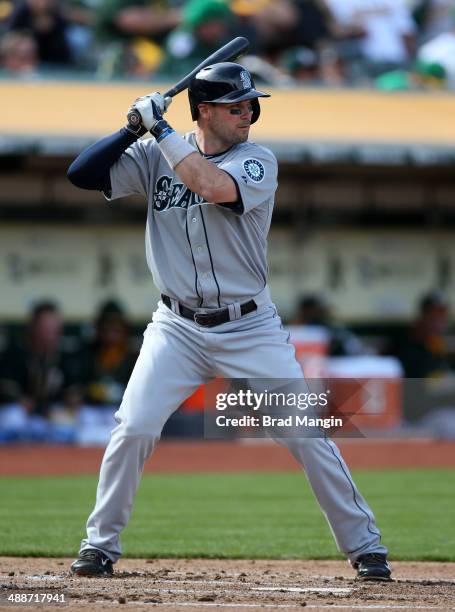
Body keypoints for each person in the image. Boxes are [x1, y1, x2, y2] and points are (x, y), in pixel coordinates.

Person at [67, 62, 391, 581]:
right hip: (175, 327)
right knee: (133, 427)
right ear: (204, 111)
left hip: (249, 327)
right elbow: (81, 174)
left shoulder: (257, 160)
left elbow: (212, 184)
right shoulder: (153, 154)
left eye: (250, 105)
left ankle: (366, 548)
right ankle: (99, 546)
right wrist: (132, 128)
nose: (247, 114)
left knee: (305, 434)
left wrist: (163, 129)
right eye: (235, 106)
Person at [0, 301, 82, 442]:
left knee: (73, 423)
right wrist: (32, 405)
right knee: (13, 418)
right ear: (34, 328)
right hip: (22, 415)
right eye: (47, 328)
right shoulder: (15, 353)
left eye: (55, 329)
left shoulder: (63, 356)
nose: (52, 334)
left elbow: (73, 396)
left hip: (50, 415)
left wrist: (71, 402)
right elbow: (8, 392)